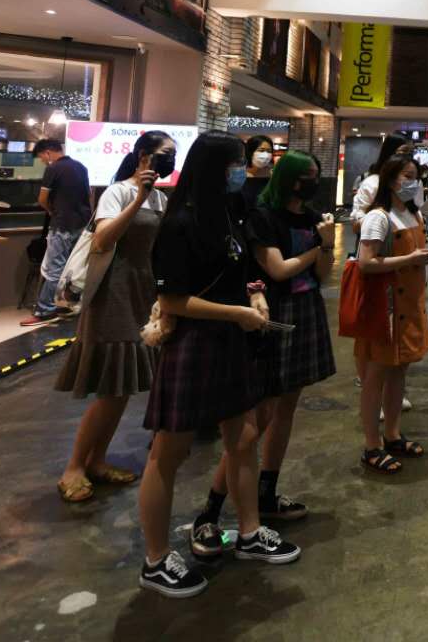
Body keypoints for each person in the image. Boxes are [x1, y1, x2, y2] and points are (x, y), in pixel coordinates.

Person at [138, 132, 298, 598]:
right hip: (194, 344)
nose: (242, 170)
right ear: (214, 168)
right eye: (235, 163)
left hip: (232, 340)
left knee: (243, 439)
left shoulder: (229, 213)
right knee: (168, 451)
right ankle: (155, 559)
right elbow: (173, 300)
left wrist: (254, 295)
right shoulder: (179, 223)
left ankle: (249, 532)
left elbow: (237, 272)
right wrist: (237, 314)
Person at [193, 151, 335, 553]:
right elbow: (278, 269)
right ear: (289, 178)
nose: (313, 181)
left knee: (285, 410)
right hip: (271, 314)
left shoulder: (311, 217)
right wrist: (320, 246)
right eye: (306, 175)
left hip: (306, 311)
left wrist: (324, 250)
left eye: (316, 174)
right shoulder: (262, 217)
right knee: (254, 421)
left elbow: (322, 276)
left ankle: (266, 492)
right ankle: (211, 510)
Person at [51, 131, 173, 503]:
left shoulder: (162, 198)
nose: (168, 160)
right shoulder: (118, 192)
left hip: (142, 291)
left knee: (121, 387)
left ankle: (97, 460)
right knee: (110, 389)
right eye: (163, 153)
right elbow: (103, 239)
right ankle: (74, 466)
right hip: (113, 292)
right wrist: (137, 200)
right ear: (143, 156)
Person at [355, 154, 428, 474]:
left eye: (416, 176)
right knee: (375, 376)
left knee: (399, 371)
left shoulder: (413, 214)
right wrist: (410, 259)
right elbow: (365, 263)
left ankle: (392, 434)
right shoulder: (378, 217)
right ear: (390, 180)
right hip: (386, 307)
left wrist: (426, 257)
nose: (413, 182)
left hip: (410, 303)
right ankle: (371, 445)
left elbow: (412, 254)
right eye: (407, 176)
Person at [22, 138, 91, 325]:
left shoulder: (53, 168)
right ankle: (69, 306)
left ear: (48, 152)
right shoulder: (81, 167)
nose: (43, 161)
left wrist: (51, 211)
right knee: (75, 269)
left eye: (41, 158)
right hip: (82, 226)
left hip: (62, 225)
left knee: (53, 270)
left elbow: (42, 199)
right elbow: (88, 195)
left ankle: (45, 311)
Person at [242, 135, 276, 207]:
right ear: (250, 152)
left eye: (269, 151)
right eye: (261, 150)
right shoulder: (239, 174)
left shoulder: (273, 174)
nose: (266, 155)